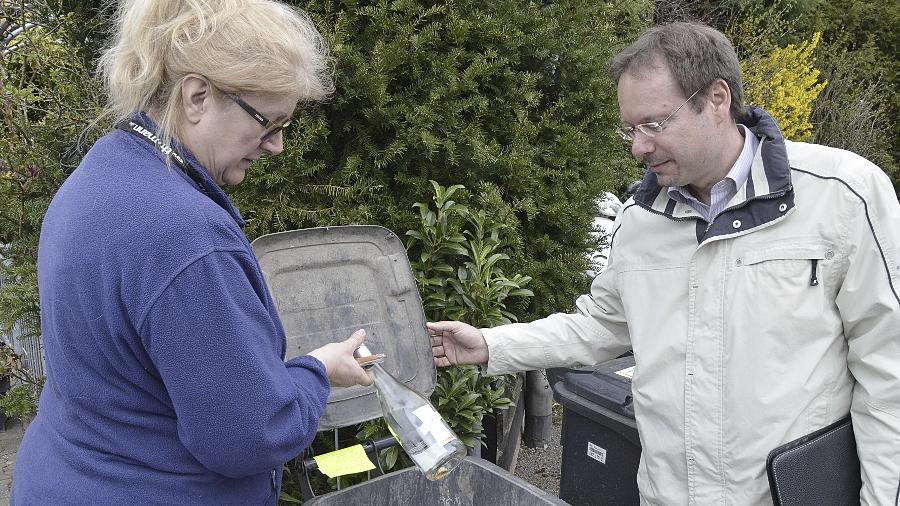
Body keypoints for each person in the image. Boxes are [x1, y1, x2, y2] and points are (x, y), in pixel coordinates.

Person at [430, 21, 900, 505]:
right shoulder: (640, 220)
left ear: (717, 99)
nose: (638, 147)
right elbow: (598, 327)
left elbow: (889, 376)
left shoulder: (842, 195)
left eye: (654, 124)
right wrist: (488, 345)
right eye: (631, 129)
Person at [11, 1, 373, 504]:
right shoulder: (186, 236)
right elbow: (248, 436)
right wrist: (317, 371)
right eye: (269, 123)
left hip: (63, 477)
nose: (277, 146)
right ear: (198, 96)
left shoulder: (97, 177)